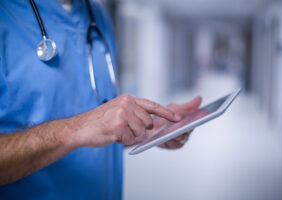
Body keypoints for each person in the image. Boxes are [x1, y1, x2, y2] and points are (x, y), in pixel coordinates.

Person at [0, 0, 201, 199]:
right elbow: (83, 128)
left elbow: (96, 130)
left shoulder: (98, 16)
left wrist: (144, 128)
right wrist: (74, 129)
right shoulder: (6, 16)